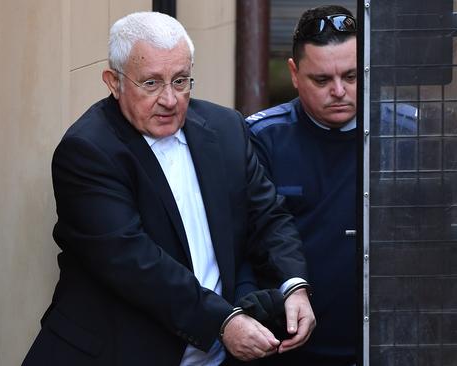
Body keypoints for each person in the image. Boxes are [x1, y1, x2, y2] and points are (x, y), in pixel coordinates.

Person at [22, 11, 315, 366]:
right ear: (114, 82)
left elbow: (268, 217)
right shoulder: (88, 151)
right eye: (151, 83)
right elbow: (134, 262)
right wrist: (222, 321)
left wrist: (293, 285)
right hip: (114, 353)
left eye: (180, 81)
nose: (170, 99)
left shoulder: (225, 129)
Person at [244, 5, 357, 366]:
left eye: (352, 76)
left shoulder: (402, 132)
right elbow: (248, 239)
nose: (339, 91)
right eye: (321, 80)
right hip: (291, 345)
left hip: (387, 340)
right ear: (294, 74)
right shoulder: (262, 139)